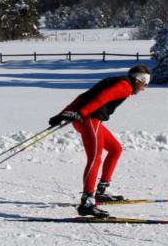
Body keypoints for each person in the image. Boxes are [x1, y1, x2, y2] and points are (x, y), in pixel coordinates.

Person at [48, 64, 151, 218]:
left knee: (115, 149)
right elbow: (101, 98)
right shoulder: (124, 86)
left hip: (87, 119)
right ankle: (87, 203)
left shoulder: (119, 81)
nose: (144, 88)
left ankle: (101, 192)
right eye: (145, 84)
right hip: (89, 119)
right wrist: (80, 113)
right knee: (95, 158)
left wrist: (63, 114)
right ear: (138, 80)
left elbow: (82, 97)